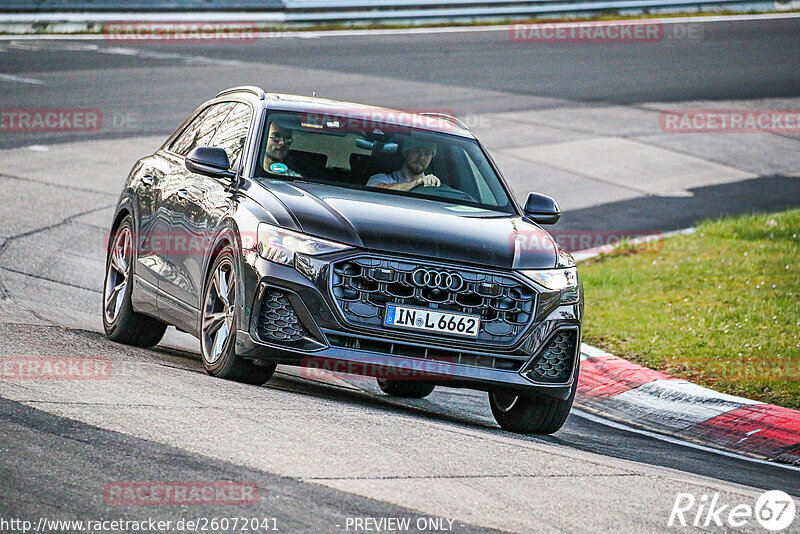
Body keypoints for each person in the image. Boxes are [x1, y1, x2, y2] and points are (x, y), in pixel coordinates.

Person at [367, 134, 441, 191]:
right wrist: (416, 183)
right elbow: (378, 191)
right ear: (405, 153)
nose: (421, 157)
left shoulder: (434, 186)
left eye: (427, 154)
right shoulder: (381, 178)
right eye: (417, 151)